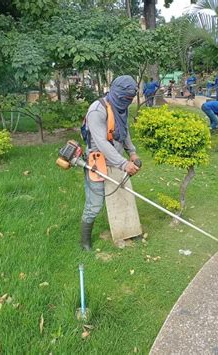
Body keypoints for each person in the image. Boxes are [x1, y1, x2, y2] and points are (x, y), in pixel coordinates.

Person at [81, 75, 140, 251]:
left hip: (118, 159)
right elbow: (101, 143)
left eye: (130, 100)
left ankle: (127, 230)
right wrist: (123, 164)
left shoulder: (121, 108)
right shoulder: (97, 110)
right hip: (97, 161)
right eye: (125, 99)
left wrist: (132, 152)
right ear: (115, 92)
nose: (127, 102)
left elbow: (124, 130)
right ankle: (85, 243)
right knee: (95, 203)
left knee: (123, 195)